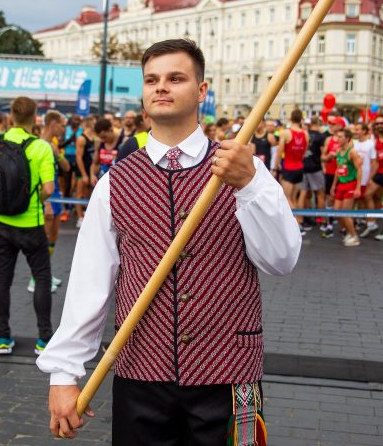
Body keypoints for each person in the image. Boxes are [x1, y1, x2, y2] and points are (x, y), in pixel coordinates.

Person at [37, 39, 301, 444]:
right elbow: (89, 283)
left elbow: (281, 260)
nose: (161, 87)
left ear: (201, 90)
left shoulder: (244, 169)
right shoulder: (115, 184)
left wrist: (249, 185)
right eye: (152, 79)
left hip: (227, 374)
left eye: (175, 78)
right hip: (141, 371)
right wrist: (63, 372)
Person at [0, 97, 55, 356]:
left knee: (2, 279)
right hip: (30, 223)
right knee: (41, 278)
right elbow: (48, 189)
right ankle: (44, 339)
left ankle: (3, 338)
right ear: (35, 117)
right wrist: (31, 199)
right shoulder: (41, 147)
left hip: (1, 221)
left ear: (11, 116)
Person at [27, 110, 70, 294]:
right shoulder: (38, 144)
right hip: (47, 196)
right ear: (52, 124)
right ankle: (35, 279)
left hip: (57, 194)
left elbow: (66, 168)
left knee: (53, 237)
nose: (63, 128)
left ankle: (45, 273)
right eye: (61, 124)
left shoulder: (53, 144)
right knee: (44, 238)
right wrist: (46, 202)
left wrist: (58, 154)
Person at [274, 109, 309, 233]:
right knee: (294, 198)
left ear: (290, 118)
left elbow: (280, 151)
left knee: (287, 198)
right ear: (301, 120)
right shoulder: (305, 134)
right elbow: (305, 151)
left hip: (289, 168)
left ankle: (298, 223)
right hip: (299, 167)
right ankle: (299, 221)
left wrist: (276, 165)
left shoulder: (286, 133)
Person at [330, 128, 362, 246]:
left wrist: (358, 187)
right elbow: (338, 170)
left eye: (340, 137)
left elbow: (359, 169)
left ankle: (354, 236)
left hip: (350, 184)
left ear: (347, 139)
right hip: (341, 184)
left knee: (345, 212)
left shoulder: (352, 152)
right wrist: (334, 185)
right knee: (337, 212)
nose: (337, 139)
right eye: (337, 136)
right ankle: (349, 232)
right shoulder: (339, 151)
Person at [297, 117, 326, 230]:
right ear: (318, 123)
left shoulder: (304, 134)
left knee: (303, 194)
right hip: (315, 167)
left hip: (303, 166)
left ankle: (300, 219)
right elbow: (323, 154)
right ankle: (322, 219)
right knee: (320, 194)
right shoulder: (321, 136)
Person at [320, 116, 345, 237]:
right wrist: (329, 156)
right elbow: (322, 157)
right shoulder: (329, 139)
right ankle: (329, 224)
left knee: (342, 201)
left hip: (344, 175)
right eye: (330, 123)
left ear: (340, 126)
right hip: (330, 173)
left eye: (333, 124)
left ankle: (345, 225)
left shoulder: (347, 140)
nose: (330, 125)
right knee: (329, 198)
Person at [353, 122, 378, 237]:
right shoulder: (354, 144)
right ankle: (360, 220)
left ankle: (371, 223)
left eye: (357, 129)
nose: (355, 132)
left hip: (366, 178)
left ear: (364, 131)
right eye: (355, 129)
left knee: (367, 198)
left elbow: (374, 163)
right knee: (359, 200)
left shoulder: (370, 144)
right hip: (356, 178)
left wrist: (370, 178)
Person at [59, 114, 83, 222]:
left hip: (78, 159)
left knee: (77, 184)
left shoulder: (82, 130)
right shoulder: (66, 130)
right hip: (67, 158)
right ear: (71, 121)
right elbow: (61, 145)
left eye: (78, 119)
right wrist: (71, 138)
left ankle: (75, 205)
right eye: (75, 119)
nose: (76, 121)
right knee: (67, 184)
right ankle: (66, 209)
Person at [74, 116, 96, 227]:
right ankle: (79, 217)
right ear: (89, 124)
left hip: (91, 168)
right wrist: (83, 174)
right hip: (82, 169)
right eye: (94, 123)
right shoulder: (81, 138)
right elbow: (78, 157)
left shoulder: (95, 138)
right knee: (79, 193)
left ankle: (86, 215)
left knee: (88, 193)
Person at [90, 118, 121, 184]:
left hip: (117, 181)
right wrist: (92, 175)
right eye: (100, 137)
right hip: (103, 180)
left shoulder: (122, 141)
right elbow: (95, 163)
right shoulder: (100, 143)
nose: (103, 140)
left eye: (104, 137)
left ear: (111, 130)